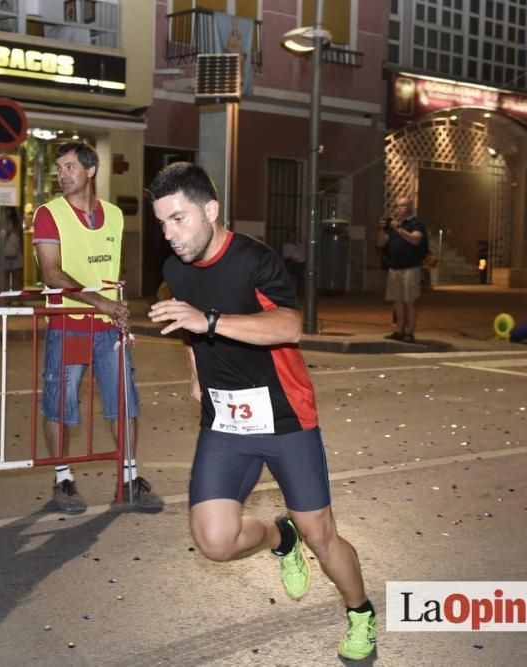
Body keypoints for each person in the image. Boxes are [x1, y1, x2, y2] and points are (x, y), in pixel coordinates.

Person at [146, 162, 377, 661]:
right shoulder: (174, 269)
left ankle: (360, 612)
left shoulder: (255, 260)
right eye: (162, 222)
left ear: (211, 210)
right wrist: (193, 369)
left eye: (179, 219)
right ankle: (278, 536)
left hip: (285, 417)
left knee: (323, 536)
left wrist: (207, 321)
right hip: (225, 423)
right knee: (215, 541)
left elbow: (287, 327)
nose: (169, 234)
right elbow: (186, 325)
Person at [32, 141, 163, 514]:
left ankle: (129, 479)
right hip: (68, 324)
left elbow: (109, 273)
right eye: (59, 168)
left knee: (125, 404)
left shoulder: (116, 216)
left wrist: (118, 308)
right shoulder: (48, 214)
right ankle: (63, 480)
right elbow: (52, 273)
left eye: (70, 167)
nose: (62, 174)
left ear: (90, 170)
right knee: (60, 406)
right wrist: (102, 302)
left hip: (107, 330)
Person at [376, 196, 427, 342]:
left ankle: (409, 332)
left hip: (410, 268)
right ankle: (399, 330)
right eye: (398, 206)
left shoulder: (416, 223)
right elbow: (380, 243)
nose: (400, 209)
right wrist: (381, 229)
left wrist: (398, 228)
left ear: (410, 207)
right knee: (397, 301)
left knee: (409, 301)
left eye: (403, 206)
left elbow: (416, 239)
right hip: (394, 268)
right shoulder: (392, 226)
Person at [0, 206, 24, 295]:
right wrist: (0, 231)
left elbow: (18, 232)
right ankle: (7, 297)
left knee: (16, 276)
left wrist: (8, 232)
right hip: (5, 250)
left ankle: (17, 297)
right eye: (5, 210)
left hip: (14, 250)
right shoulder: (1, 220)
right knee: (5, 276)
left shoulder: (16, 221)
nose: (6, 212)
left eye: (8, 210)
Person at [281, 231, 306, 296]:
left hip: (303, 262)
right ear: (288, 238)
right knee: (301, 271)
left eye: (294, 236)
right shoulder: (287, 246)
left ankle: (306, 290)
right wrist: (294, 259)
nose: (293, 238)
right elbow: (286, 258)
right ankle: (300, 291)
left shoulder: (299, 244)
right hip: (294, 264)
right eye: (291, 236)